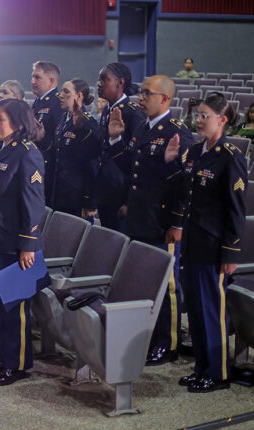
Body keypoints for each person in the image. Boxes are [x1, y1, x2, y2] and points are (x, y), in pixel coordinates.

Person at [109, 75, 194, 366]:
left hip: (162, 221)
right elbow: (133, 169)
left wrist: (178, 223)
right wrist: (116, 138)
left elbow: (184, 186)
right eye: (141, 92)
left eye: (147, 93)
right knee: (146, 280)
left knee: (167, 284)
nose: (140, 97)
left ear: (165, 99)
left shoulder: (176, 132)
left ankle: (168, 343)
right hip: (140, 216)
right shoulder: (144, 127)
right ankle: (150, 336)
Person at [172, 92, 247, 393]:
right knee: (197, 311)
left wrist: (232, 252)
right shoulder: (193, 152)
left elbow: (236, 210)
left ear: (223, 120)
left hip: (214, 246)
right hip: (192, 243)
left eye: (205, 116)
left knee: (211, 311)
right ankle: (201, 367)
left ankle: (217, 373)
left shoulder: (230, 157)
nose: (199, 120)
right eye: (198, 115)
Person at [0, 98, 45, 386]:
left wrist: (29, 244)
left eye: (0, 119)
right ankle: (4, 356)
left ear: (18, 121)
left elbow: (34, 203)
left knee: (15, 306)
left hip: (15, 243)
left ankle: (19, 364)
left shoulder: (27, 154)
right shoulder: (0, 149)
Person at [95, 62, 146, 232]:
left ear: (120, 82)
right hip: (106, 191)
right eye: (99, 79)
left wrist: (128, 201)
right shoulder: (108, 111)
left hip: (121, 194)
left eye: (105, 80)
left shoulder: (133, 113)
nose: (99, 84)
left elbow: (136, 162)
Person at [52, 78, 101, 217]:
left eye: (66, 92)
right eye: (61, 91)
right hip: (60, 193)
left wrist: (89, 201)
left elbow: (92, 164)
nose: (60, 95)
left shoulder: (88, 123)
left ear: (79, 96)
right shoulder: (63, 118)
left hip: (77, 197)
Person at [31, 61, 64, 206]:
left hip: (49, 172)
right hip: (35, 167)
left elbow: (60, 144)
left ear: (51, 81)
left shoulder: (58, 104)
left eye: (37, 77)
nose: (32, 81)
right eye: (32, 77)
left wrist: (42, 139)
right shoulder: (38, 102)